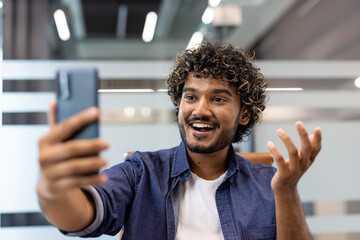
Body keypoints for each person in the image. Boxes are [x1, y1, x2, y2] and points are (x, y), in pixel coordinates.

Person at [37, 41, 322, 240]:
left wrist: (286, 191)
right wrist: (52, 190)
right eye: (190, 96)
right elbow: (83, 214)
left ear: (244, 114)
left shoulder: (268, 183)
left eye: (218, 99)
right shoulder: (141, 172)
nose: (200, 109)